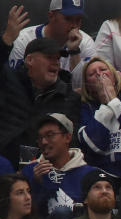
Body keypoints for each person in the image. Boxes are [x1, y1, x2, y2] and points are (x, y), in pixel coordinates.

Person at [0, 37, 81, 166]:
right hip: (5, 164)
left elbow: (71, 140)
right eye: (49, 57)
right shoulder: (10, 82)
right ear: (30, 60)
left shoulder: (69, 98)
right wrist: (5, 42)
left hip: (46, 168)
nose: (56, 63)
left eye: (58, 59)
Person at [20, 113, 95, 219]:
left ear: (67, 137)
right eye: (40, 138)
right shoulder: (29, 171)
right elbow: (22, 216)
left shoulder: (89, 174)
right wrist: (36, 184)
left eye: (50, 135)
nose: (44, 142)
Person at [6, 0, 95, 73]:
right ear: (51, 16)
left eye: (78, 20)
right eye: (68, 18)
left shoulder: (86, 42)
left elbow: (85, 88)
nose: (74, 25)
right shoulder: (24, 39)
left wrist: (74, 52)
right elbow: (15, 83)